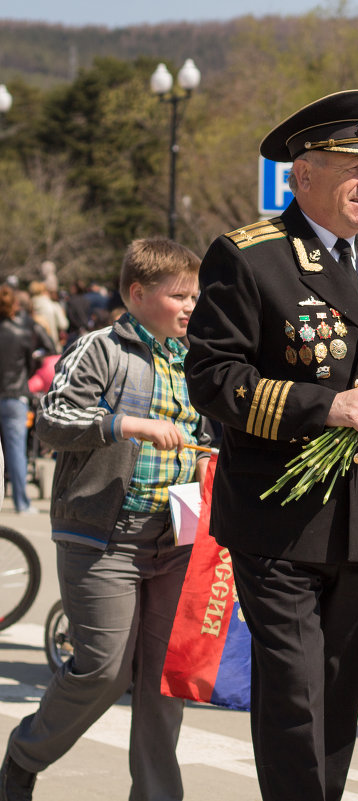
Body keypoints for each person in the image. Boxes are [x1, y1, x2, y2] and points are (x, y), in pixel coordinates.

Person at [185, 90, 358, 801]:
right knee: (296, 695)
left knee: (334, 699)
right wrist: (321, 404)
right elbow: (213, 378)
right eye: (348, 166)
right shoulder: (250, 258)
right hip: (279, 518)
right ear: (301, 174)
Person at [0, 238, 210, 801]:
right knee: (103, 670)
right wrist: (126, 425)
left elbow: (209, 431)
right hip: (102, 537)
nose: (191, 306)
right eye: (179, 295)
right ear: (138, 294)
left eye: (195, 294)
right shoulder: (99, 348)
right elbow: (53, 420)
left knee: (165, 681)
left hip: (177, 542)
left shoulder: (196, 357)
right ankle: (23, 757)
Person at [0, 284, 40, 514]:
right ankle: (21, 502)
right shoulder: (22, 334)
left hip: (9, 394)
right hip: (15, 397)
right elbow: (30, 366)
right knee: (16, 452)